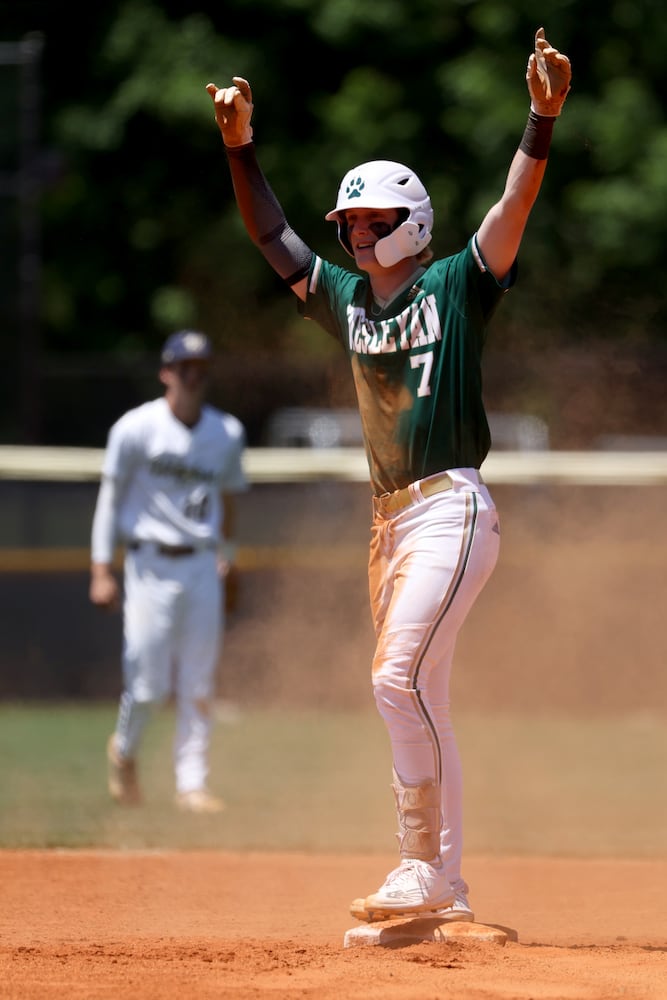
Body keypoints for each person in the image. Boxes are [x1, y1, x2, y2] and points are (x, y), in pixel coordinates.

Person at [205, 27, 571, 918]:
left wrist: (540, 118)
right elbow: (270, 235)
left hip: (451, 507)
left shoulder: (453, 284)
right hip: (388, 523)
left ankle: (415, 865)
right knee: (424, 694)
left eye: (372, 221)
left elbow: (509, 213)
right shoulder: (341, 300)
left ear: (410, 225)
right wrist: (238, 145)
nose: (358, 234)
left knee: (391, 677)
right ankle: (444, 887)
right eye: (351, 224)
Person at [90, 330, 249, 814]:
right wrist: (101, 567)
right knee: (148, 683)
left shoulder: (227, 433)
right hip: (148, 563)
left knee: (199, 682)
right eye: (185, 367)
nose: (194, 376)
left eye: (201, 367)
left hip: (202, 562)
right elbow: (109, 499)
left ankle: (191, 784)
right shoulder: (136, 429)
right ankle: (125, 750)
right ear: (166, 372)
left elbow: (227, 499)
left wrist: (229, 552)